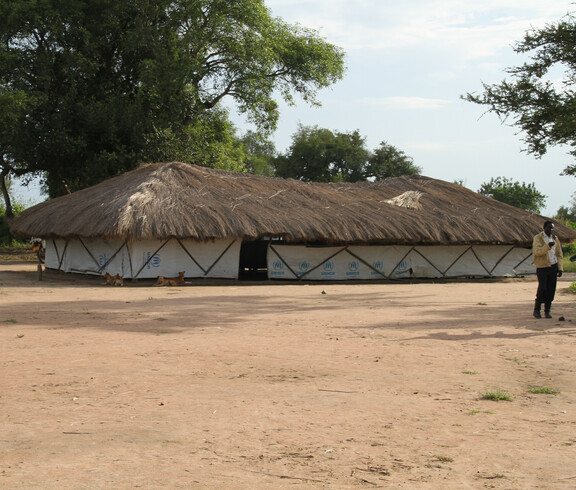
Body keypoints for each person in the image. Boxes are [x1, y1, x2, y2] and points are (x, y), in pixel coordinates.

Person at [532, 221, 563, 318]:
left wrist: (560, 268)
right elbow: (537, 252)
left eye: (552, 228)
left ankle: (547, 310)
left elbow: (559, 254)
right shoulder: (538, 238)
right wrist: (548, 246)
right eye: (549, 228)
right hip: (542, 267)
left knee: (551, 289)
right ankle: (537, 310)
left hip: (553, 266)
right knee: (542, 288)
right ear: (544, 228)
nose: (551, 230)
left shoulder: (555, 238)